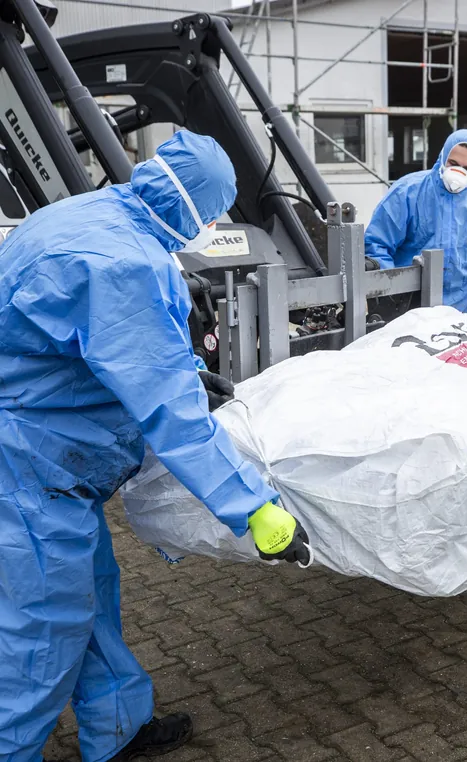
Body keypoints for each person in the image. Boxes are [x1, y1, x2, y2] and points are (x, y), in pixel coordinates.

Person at [0, 130, 310, 762]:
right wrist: (253, 510)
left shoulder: (91, 214)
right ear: (192, 206)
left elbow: (88, 338)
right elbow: (176, 421)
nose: (217, 224)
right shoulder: (128, 266)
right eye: (216, 211)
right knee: (39, 633)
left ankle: (117, 727)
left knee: (88, 594)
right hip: (26, 466)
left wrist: (188, 371)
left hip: (47, 456)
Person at [365, 129, 467, 313]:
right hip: (408, 303)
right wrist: (389, 289)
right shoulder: (407, 192)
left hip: (459, 305)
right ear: (442, 157)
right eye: (453, 163)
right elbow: (378, 244)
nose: (458, 173)